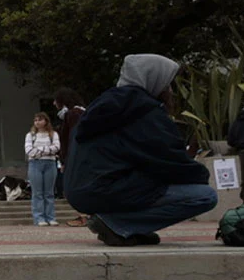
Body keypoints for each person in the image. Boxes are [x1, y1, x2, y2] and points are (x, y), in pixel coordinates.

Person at [65, 54, 217, 246]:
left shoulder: (101, 107)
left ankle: (130, 229)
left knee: (149, 183)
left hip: (82, 191)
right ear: (153, 80)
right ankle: (117, 224)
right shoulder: (143, 112)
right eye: (167, 84)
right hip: (105, 189)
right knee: (205, 196)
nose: (170, 91)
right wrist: (201, 175)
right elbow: (169, 160)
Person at [53, 87, 90, 226]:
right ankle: (84, 215)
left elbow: (71, 138)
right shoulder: (81, 112)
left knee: (74, 186)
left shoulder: (73, 114)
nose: (54, 103)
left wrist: (65, 159)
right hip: (80, 156)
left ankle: (84, 216)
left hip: (75, 157)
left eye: (56, 100)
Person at [25, 113, 60, 226]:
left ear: (46, 121)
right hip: (35, 164)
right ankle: (39, 218)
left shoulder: (53, 134)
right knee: (38, 192)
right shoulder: (30, 135)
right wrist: (46, 150)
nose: (37, 122)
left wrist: (39, 151)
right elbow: (29, 151)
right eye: (35, 120)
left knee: (49, 192)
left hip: (50, 163)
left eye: (40, 120)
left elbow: (56, 147)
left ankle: (51, 217)